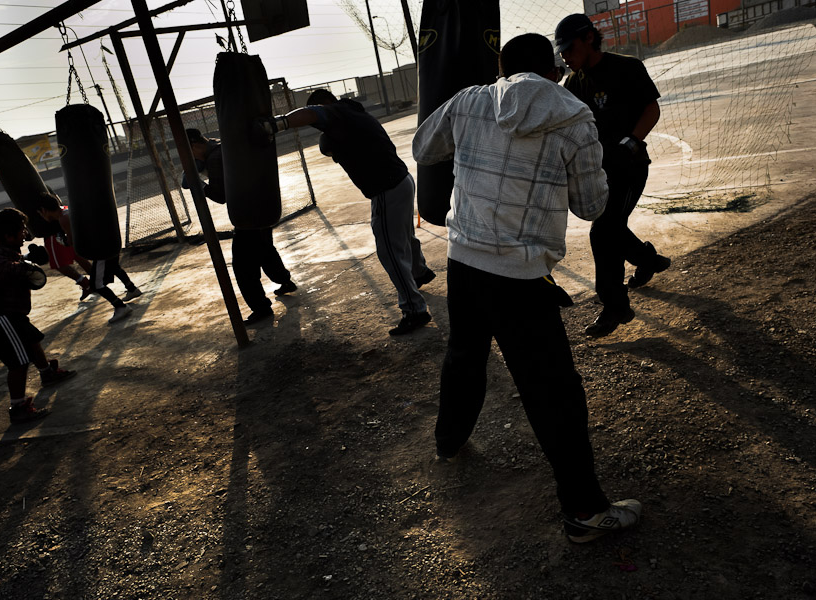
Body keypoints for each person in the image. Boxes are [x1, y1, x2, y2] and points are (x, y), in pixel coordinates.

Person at [412, 33, 641, 543]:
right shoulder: (574, 116)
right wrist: (608, 166)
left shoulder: (471, 100)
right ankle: (583, 510)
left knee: (464, 355)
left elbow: (422, 147)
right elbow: (590, 206)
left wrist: (466, 128)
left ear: (501, 68)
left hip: (464, 260)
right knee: (553, 392)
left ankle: (447, 441)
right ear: (554, 69)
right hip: (518, 275)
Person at [256, 91, 435, 335]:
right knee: (404, 236)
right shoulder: (354, 113)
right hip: (401, 181)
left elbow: (313, 115)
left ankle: (415, 310)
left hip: (386, 189)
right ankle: (419, 272)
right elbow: (328, 147)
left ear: (325, 104)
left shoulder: (336, 112)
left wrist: (277, 124)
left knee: (390, 251)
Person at [556, 13, 672, 337]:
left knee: (602, 232)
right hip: (600, 174)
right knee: (612, 228)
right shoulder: (573, 84)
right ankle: (646, 260)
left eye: (569, 47)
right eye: (561, 50)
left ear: (589, 39)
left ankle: (614, 306)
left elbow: (652, 108)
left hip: (630, 168)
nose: (565, 56)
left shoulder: (627, 67)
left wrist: (632, 141)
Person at [0, 208, 76, 423]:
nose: (24, 236)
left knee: (32, 339)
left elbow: (7, 259)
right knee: (18, 361)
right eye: (20, 232)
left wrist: (28, 257)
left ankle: (47, 372)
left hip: (11, 312)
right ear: (8, 235)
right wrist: (25, 267)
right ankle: (18, 407)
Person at [184, 128, 297, 326]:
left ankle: (261, 308)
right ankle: (285, 281)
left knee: (243, 266)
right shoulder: (221, 146)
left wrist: (199, 184)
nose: (191, 157)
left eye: (189, 152)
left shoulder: (214, 158)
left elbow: (220, 195)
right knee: (264, 250)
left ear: (194, 145)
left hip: (248, 214)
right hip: (263, 207)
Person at [37, 192, 140, 324]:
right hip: (108, 240)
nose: (41, 216)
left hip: (102, 247)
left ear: (44, 210)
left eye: (40, 213)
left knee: (96, 284)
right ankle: (132, 289)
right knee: (114, 267)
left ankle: (120, 307)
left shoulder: (63, 219)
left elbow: (73, 242)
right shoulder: (66, 210)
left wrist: (63, 240)